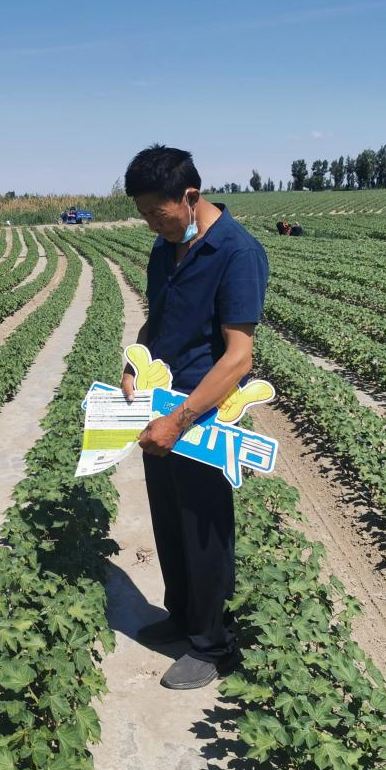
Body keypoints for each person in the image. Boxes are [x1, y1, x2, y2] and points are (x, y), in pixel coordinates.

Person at [121, 144, 270, 690]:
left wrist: (180, 420)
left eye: (158, 213)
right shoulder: (165, 250)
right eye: (144, 215)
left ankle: (213, 643)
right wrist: (135, 364)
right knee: (167, 515)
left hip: (203, 413)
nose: (152, 225)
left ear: (190, 197)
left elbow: (238, 356)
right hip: (161, 405)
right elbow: (153, 327)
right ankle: (182, 616)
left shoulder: (237, 253)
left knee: (204, 527)